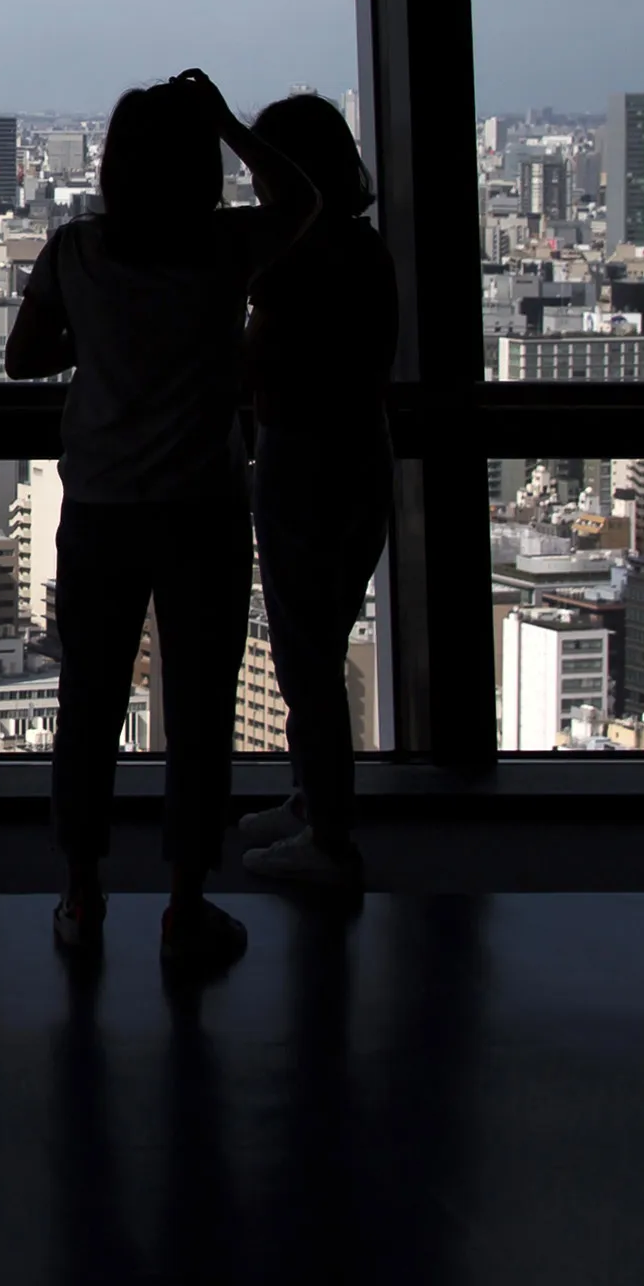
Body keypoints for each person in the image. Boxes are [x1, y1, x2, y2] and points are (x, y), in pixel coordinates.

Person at [3, 71, 321, 977]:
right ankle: (185, 902)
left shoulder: (75, 251)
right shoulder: (224, 247)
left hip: (100, 508)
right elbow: (304, 200)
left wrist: (99, 341)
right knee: (200, 709)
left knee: (88, 702)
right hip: (201, 508)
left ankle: (80, 891)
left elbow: (24, 357)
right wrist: (227, 121)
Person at [233, 95, 395, 893]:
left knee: (306, 660)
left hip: (303, 462)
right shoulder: (363, 248)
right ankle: (314, 803)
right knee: (318, 647)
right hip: (360, 455)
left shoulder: (300, 259)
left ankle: (328, 834)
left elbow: (258, 363)